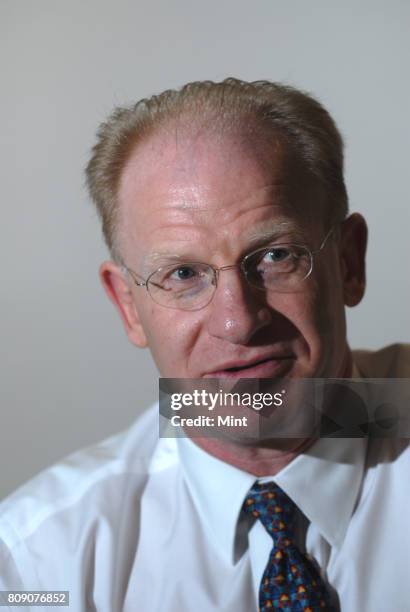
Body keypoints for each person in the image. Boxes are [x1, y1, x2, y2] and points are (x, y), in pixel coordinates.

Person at [0, 78, 409, 612]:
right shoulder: (41, 563)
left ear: (349, 263)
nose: (238, 322)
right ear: (128, 306)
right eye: (184, 273)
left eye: (275, 256)